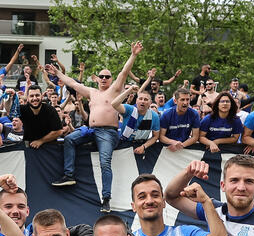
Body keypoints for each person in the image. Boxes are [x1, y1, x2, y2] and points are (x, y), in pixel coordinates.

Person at [47, 42, 143, 213]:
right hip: (90, 130)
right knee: (69, 139)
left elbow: (124, 72)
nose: (104, 78)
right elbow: (73, 83)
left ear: (112, 80)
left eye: (107, 76)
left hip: (108, 132)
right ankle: (69, 175)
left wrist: (133, 55)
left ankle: (106, 199)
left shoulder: (115, 90)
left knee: (105, 162)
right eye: (101, 76)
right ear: (97, 78)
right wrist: (58, 73)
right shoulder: (92, 92)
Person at [113, 87, 160, 156]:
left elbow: (155, 137)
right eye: (140, 99)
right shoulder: (129, 109)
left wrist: (144, 146)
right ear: (136, 101)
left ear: (150, 103)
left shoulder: (154, 116)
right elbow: (114, 104)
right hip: (124, 144)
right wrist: (129, 90)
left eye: (146, 99)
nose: (143, 101)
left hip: (141, 146)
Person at [157, 87, 201, 155]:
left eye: (187, 99)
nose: (185, 103)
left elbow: (195, 137)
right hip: (167, 148)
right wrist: (173, 142)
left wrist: (181, 145)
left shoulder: (194, 114)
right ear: (175, 101)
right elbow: (161, 136)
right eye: (182, 100)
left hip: (184, 148)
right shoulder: (167, 114)